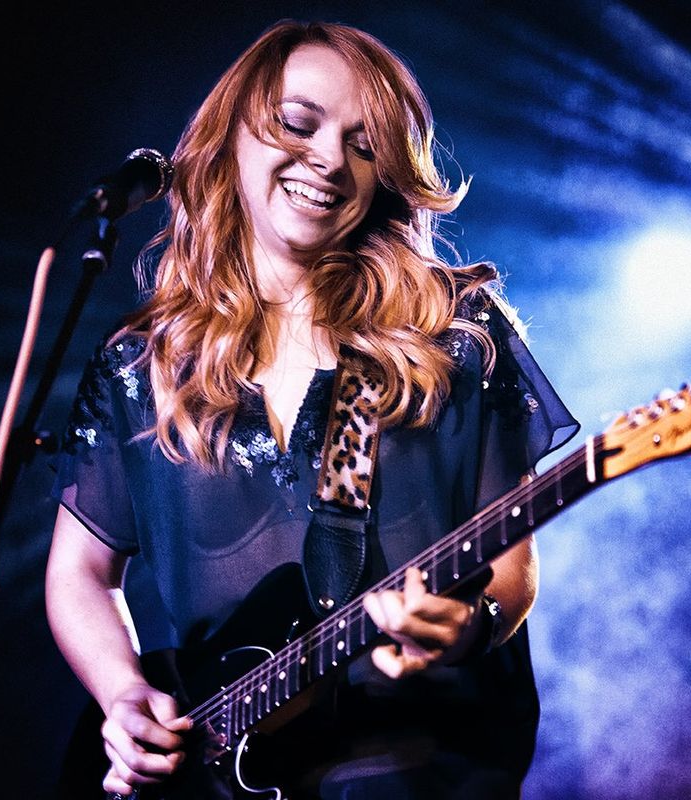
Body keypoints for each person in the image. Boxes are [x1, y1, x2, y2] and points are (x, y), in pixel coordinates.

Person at [45, 19, 579, 800]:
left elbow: (511, 565)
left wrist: (473, 626)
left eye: (365, 147)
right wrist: (123, 694)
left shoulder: (451, 334)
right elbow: (79, 572)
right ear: (233, 136)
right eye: (299, 124)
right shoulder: (141, 367)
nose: (329, 159)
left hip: (412, 765)